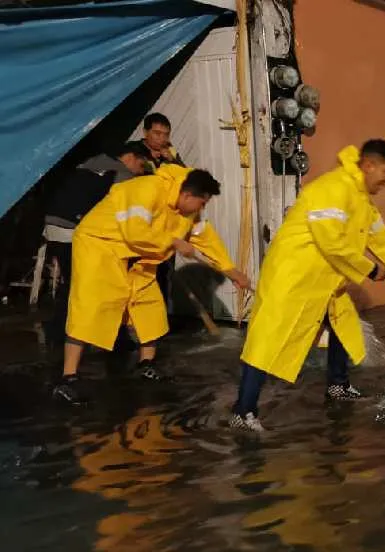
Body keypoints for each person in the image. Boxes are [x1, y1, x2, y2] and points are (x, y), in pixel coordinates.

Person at [231, 139, 385, 432]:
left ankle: (338, 384)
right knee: (266, 341)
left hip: (327, 279)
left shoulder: (363, 202)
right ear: (369, 165)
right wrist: (372, 270)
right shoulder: (333, 189)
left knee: (341, 325)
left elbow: (383, 242)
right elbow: (331, 241)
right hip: (293, 277)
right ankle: (242, 411)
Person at [53, 165, 250, 405]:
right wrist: (174, 242)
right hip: (100, 245)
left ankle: (146, 365)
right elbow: (135, 232)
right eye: (202, 203)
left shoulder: (187, 211)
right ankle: (68, 378)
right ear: (188, 195)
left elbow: (205, 238)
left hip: (139, 255)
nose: (202, 209)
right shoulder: (146, 189)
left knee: (150, 307)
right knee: (91, 306)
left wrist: (230, 271)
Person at [42, 145, 149, 348]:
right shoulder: (122, 174)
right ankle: (107, 337)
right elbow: (124, 211)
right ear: (130, 157)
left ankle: (59, 331)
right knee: (99, 284)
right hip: (75, 229)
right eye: (141, 165)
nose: (139, 172)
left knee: (71, 281)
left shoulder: (90, 163)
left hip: (53, 224)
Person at [130, 112, 185, 308]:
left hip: (164, 224)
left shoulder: (170, 153)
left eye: (166, 135)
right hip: (140, 224)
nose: (161, 139)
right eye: (157, 133)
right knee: (139, 272)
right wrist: (149, 162)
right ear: (145, 133)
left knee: (163, 273)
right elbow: (131, 175)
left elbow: (185, 180)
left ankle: (161, 316)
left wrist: (173, 161)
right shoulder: (134, 150)